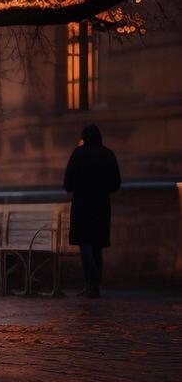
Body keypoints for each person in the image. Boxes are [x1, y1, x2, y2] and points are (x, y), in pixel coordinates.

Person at [64, 123, 120, 298]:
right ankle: (94, 285)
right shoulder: (108, 155)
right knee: (96, 246)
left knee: (85, 244)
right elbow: (115, 183)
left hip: (82, 205)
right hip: (101, 206)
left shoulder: (78, 154)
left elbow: (67, 184)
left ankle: (91, 282)